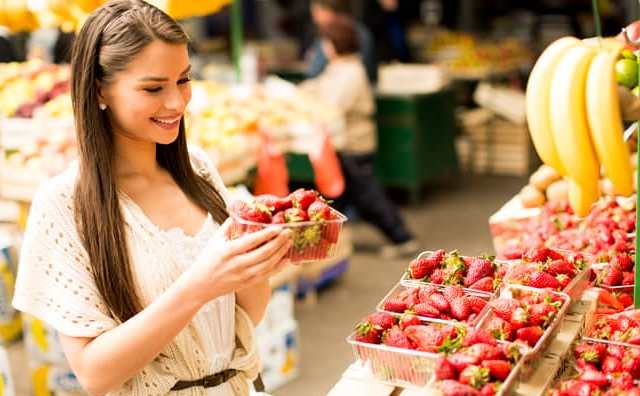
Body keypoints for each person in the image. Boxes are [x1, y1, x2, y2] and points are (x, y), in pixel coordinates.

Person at [12, 1, 293, 395]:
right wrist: (199, 285)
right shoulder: (63, 205)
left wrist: (256, 261)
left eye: (183, 79)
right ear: (99, 91)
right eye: (153, 88)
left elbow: (247, 315)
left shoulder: (199, 169)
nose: (176, 102)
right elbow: (94, 375)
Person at [300, 16, 418, 259]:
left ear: (334, 44)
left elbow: (332, 106)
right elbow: (317, 87)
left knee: (368, 197)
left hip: (355, 145)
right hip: (344, 145)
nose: (323, 47)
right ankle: (329, 245)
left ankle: (402, 237)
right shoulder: (339, 68)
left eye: (325, 42)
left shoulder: (351, 72)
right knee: (340, 196)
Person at [306, 0, 378, 84]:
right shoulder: (325, 33)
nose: (315, 19)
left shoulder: (357, 35)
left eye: (317, 12)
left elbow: (315, 72)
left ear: (330, 11)